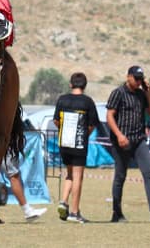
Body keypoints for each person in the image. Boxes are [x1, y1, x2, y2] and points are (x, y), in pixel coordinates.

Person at [106, 65, 150, 224]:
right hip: (121, 141)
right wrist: (119, 135)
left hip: (139, 140)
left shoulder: (142, 94)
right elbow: (109, 116)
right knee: (120, 176)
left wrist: (148, 93)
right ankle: (117, 212)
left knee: (149, 173)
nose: (138, 81)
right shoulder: (118, 93)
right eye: (136, 78)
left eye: (140, 79)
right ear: (128, 77)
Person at [53, 72, 99, 223]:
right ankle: (74, 212)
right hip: (79, 143)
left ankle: (64, 201)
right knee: (78, 176)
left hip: (64, 143)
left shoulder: (62, 99)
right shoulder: (88, 102)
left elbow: (56, 121)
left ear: (70, 84)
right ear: (84, 86)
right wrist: (85, 134)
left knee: (69, 174)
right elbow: (92, 124)